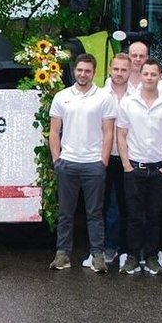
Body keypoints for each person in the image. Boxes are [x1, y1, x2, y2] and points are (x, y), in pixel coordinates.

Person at [47, 53, 119, 272]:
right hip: (68, 163)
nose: (83, 74)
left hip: (93, 164)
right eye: (80, 70)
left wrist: (103, 161)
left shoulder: (104, 98)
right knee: (65, 213)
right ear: (74, 70)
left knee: (95, 213)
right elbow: (54, 131)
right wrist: (57, 159)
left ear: (94, 73)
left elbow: (109, 132)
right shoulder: (62, 96)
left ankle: (97, 255)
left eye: (87, 71)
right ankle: (62, 255)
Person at [117, 59, 162, 275]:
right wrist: (126, 164)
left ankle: (151, 257)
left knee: (154, 216)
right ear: (140, 76)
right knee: (134, 216)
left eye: (154, 74)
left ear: (160, 76)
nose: (150, 78)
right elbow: (121, 135)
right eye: (146, 74)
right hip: (134, 167)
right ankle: (133, 256)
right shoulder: (128, 103)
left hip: (158, 169)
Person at [99, 52, 132, 269]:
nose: (119, 73)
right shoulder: (100, 95)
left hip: (128, 158)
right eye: (116, 69)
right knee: (105, 206)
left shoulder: (137, 95)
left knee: (126, 205)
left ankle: (126, 249)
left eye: (124, 70)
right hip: (105, 156)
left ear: (130, 72)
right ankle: (108, 247)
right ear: (110, 69)